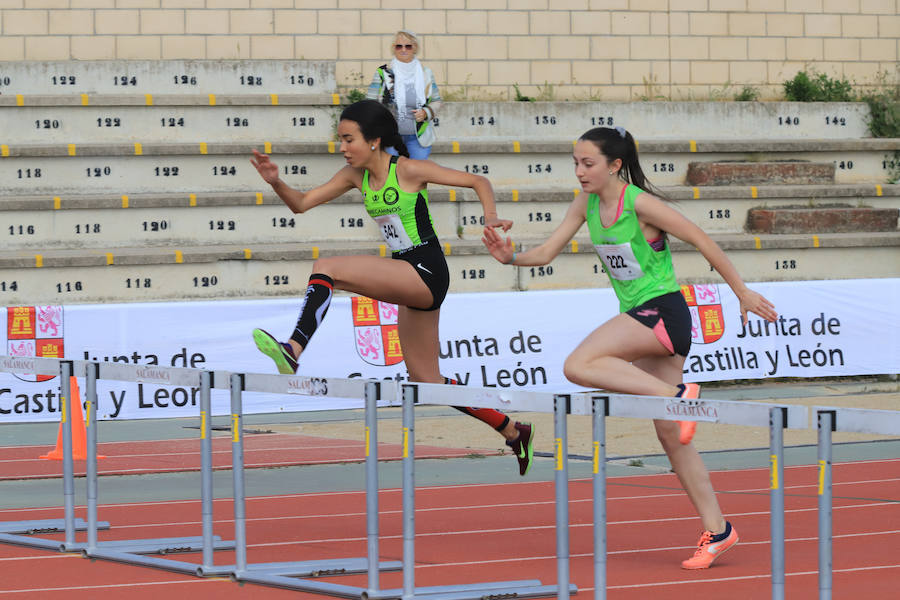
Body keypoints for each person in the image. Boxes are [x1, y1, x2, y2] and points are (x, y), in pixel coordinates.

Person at [482, 126, 779, 568]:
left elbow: (703, 240)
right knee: (670, 434)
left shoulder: (640, 204)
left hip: (663, 313)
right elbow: (545, 253)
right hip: (643, 319)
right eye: (576, 163)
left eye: (589, 164)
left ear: (615, 165)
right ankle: (719, 530)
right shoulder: (585, 204)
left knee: (579, 364)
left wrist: (742, 293)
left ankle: (678, 396)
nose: (580, 172)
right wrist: (511, 258)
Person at [249, 100, 535, 476]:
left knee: (327, 268)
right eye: (340, 139)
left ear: (374, 141)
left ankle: (294, 347)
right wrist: (276, 182)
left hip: (426, 269)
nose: (342, 147)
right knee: (426, 380)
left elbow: (478, 181)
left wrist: (491, 216)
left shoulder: (411, 170)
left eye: (348, 139)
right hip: (406, 272)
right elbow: (301, 204)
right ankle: (513, 430)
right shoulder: (354, 176)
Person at [366, 29, 441, 160]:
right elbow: (369, 103)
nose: (403, 50)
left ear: (415, 48)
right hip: (389, 136)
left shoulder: (426, 73)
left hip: (418, 138)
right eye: (399, 46)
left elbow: (436, 101)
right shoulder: (383, 73)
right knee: (391, 174)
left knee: (417, 176)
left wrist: (426, 112)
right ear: (393, 49)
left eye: (408, 46)